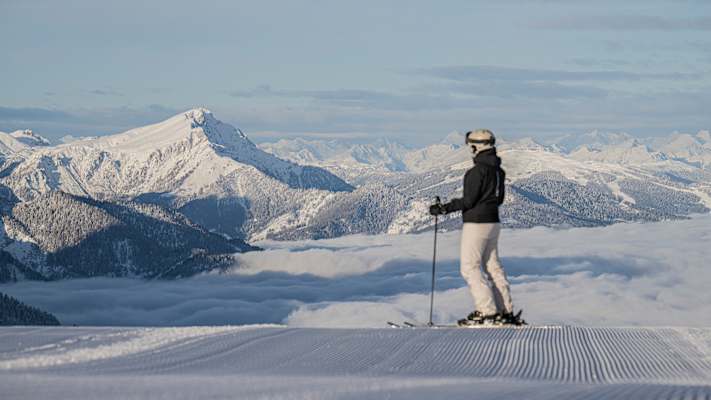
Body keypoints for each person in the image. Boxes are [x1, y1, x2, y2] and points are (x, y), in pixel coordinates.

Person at [429, 129, 520, 326]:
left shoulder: (476, 172)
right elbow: (500, 199)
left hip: (476, 223)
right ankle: (505, 311)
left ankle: (487, 311)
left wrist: (443, 208)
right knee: (493, 266)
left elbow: (469, 201)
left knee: (470, 267)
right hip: (493, 222)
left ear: (475, 146)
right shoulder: (498, 171)